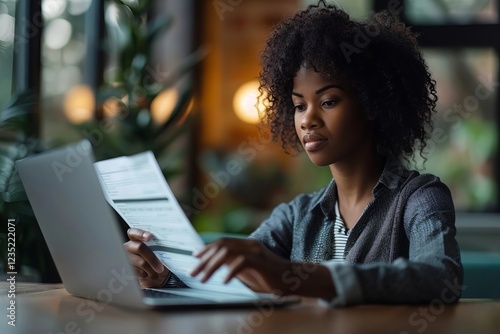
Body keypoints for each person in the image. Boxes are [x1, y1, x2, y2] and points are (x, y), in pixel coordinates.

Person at [124, 1, 463, 306]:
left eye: (328, 101)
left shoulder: (420, 198)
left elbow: (441, 278)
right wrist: (164, 277)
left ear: (372, 103)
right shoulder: (297, 216)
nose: (308, 120)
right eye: (299, 105)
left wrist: (308, 278)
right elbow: (232, 278)